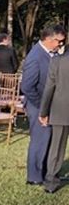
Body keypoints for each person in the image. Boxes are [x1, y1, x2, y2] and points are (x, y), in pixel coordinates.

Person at [21, 23, 66, 185]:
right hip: (37, 105)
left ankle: (45, 172)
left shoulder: (49, 53)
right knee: (40, 140)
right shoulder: (36, 56)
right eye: (58, 41)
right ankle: (34, 176)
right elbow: (27, 87)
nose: (60, 45)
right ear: (48, 39)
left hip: (47, 105)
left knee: (47, 139)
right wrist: (42, 109)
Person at [39, 46, 69, 193]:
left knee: (56, 147)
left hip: (60, 110)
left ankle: (51, 182)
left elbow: (49, 88)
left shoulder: (57, 61)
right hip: (62, 110)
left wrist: (43, 111)